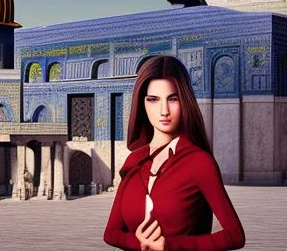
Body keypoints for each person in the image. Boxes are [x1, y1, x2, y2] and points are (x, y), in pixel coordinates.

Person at [104, 55, 245, 251]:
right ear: (142, 103)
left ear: (185, 101)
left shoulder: (199, 162)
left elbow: (235, 236)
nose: (164, 110)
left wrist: (171, 245)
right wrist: (139, 244)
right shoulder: (134, 160)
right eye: (153, 100)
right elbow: (111, 233)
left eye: (173, 99)